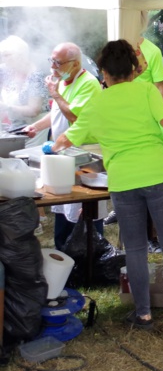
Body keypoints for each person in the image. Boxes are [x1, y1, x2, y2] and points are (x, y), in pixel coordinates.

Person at [48, 39, 163, 331]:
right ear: (134, 69)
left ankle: (143, 314)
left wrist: (51, 149)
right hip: (159, 173)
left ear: (104, 74)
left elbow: (68, 137)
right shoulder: (146, 89)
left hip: (123, 180)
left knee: (134, 248)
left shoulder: (98, 100)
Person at [23, 42, 102, 250]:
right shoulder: (64, 81)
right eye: (52, 61)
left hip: (85, 153)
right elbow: (57, 113)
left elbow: (75, 116)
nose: (53, 67)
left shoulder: (88, 83)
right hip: (63, 152)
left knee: (83, 208)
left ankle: (88, 258)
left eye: (58, 63)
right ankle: (64, 252)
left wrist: (55, 94)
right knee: (62, 204)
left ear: (75, 63)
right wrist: (36, 126)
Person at [0, 35, 48, 146]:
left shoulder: (36, 76)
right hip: (14, 127)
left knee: (28, 159)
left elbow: (33, 110)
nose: (3, 59)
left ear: (21, 56)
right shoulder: (4, 70)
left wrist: (7, 107)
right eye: (3, 55)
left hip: (35, 130)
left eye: (7, 55)